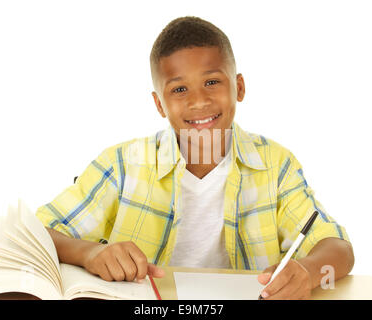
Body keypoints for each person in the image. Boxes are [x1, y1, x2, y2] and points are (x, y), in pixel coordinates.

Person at [36, 16, 354, 300]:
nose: (199, 101)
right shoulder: (123, 164)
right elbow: (38, 231)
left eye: (212, 82)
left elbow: (337, 247)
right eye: (179, 90)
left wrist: (309, 271)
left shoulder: (275, 165)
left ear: (239, 87)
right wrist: (89, 252)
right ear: (159, 104)